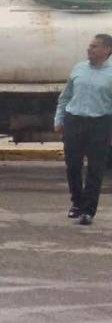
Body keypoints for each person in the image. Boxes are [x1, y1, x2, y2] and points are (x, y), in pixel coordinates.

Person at [54, 33, 112, 225]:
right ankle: (77, 204)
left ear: (107, 50)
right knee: (73, 165)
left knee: (95, 168)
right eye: (90, 46)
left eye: (95, 46)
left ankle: (88, 210)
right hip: (74, 121)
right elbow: (65, 96)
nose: (90, 49)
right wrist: (59, 119)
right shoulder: (79, 68)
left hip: (100, 123)